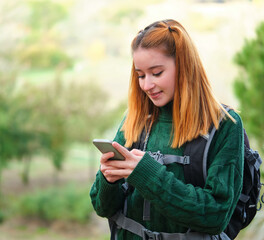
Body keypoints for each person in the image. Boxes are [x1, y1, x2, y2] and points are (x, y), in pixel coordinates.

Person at [90, 19, 244, 240]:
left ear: (183, 66)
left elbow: (216, 215)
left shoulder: (225, 125)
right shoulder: (135, 120)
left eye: (157, 73)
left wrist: (145, 173)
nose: (146, 85)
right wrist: (108, 180)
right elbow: (102, 208)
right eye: (140, 75)